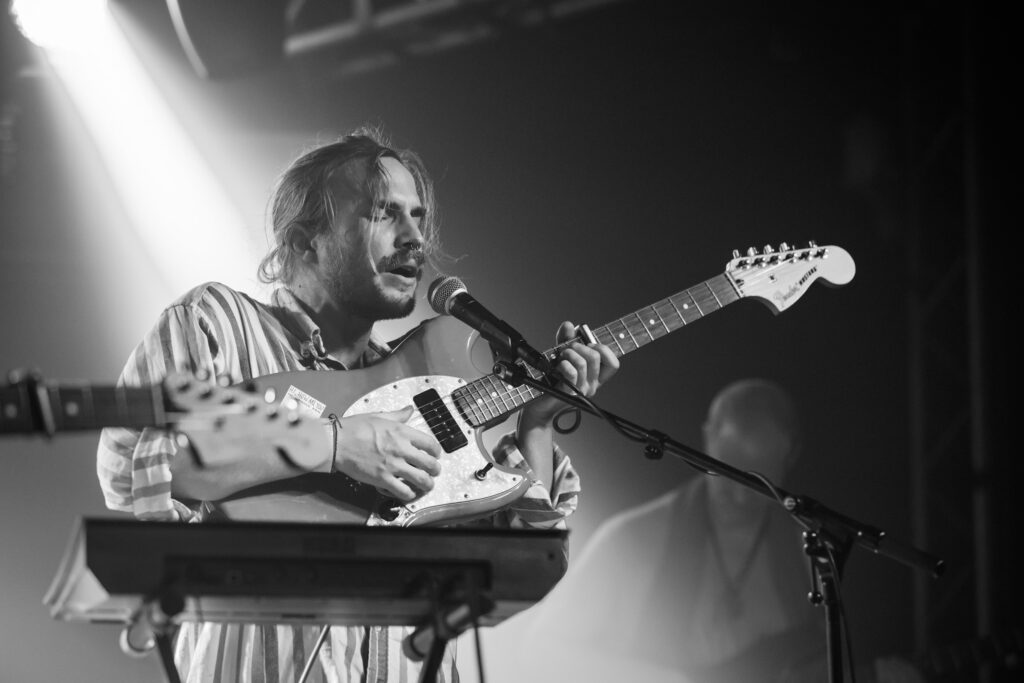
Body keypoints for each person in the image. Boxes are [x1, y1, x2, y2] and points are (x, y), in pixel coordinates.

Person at [95, 128, 619, 683]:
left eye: (419, 216)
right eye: (383, 212)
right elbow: (133, 470)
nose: (415, 237)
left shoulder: (425, 379)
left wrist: (536, 427)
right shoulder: (219, 322)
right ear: (305, 241)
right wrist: (335, 444)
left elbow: (514, 566)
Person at [513, 378, 923, 683]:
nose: (743, 493)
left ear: (790, 455)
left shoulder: (810, 546)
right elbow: (540, 654)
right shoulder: (633, 538)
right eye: (732, 464)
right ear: (708, 440)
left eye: (760, 472)